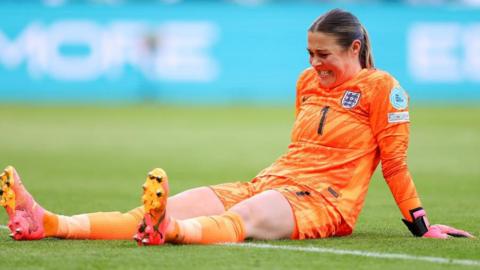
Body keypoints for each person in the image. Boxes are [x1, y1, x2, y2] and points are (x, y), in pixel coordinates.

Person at [0, 9, 474, 245]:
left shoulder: (383, 88)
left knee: (243, 220)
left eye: (324, 54)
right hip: (270, 181)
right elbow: (300, 145)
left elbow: (393, 163)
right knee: (148, 213)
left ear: (354, 48)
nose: (315, 64)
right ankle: (46, 221)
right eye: (310, 54)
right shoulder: (307, 81)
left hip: (325, 203)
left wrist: (421, 226)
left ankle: (174, 231)